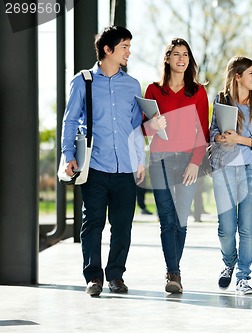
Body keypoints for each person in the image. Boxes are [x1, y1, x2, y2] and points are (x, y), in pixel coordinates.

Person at [61, 26, 145, 297]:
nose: (129, 52)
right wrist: (68, 155)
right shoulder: (82, 81)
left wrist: (140, 160)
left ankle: (116, 275)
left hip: (125, 168)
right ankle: (93, 277)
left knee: (122, 225)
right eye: (124, 47)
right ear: (108, 50)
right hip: (94, 166)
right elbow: (70, 120)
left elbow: (135, 126)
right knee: (93, 223)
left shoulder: (132, 85)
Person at [143, 38, 209, 294]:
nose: (182, 59)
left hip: (187, 162)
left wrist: (195, 163)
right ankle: (174, 272)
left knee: (180, 220)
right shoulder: (153, 91)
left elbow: (202, 132)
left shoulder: (198, 92)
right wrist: (153, 126)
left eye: (186, 55)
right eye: (176, 54)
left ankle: (174, 270)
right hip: (159, 160)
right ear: (167, 59)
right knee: (167, 219)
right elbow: (142, 129)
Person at [210, 56, 252, 295]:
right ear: (238, 76)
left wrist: (240, 140)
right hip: (224, 168)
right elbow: (213, 130)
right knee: (225, 228)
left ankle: (243, 277)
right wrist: (219, 137)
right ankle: (229, 264)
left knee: (246, 227)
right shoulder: (221, 100)